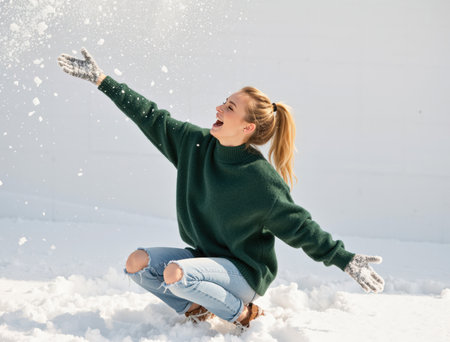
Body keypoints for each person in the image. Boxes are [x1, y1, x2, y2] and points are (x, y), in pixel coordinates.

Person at [57, 47, 385, 329]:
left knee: (175, 274)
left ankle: (244, 314)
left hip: (244, 274)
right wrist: (103, 81)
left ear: (247, 127)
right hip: (203, 261)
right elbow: (150, 116)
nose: (219, 108)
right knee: (136, 263)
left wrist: (345, 259)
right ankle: (194, 307)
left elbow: (301, 228)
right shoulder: (194, 144)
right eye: (224, 102)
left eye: (229, 108)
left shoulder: (260, 180)